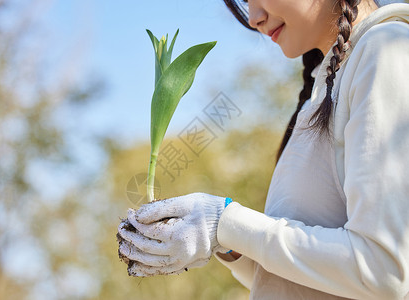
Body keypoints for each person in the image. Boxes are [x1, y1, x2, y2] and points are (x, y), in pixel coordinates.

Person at [117, 0, 409, 299]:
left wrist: (226, 223)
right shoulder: (319, 92)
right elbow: (300, 284)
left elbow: (383, 271)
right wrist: (227, 243)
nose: (254, 17)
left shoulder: (385, 50)